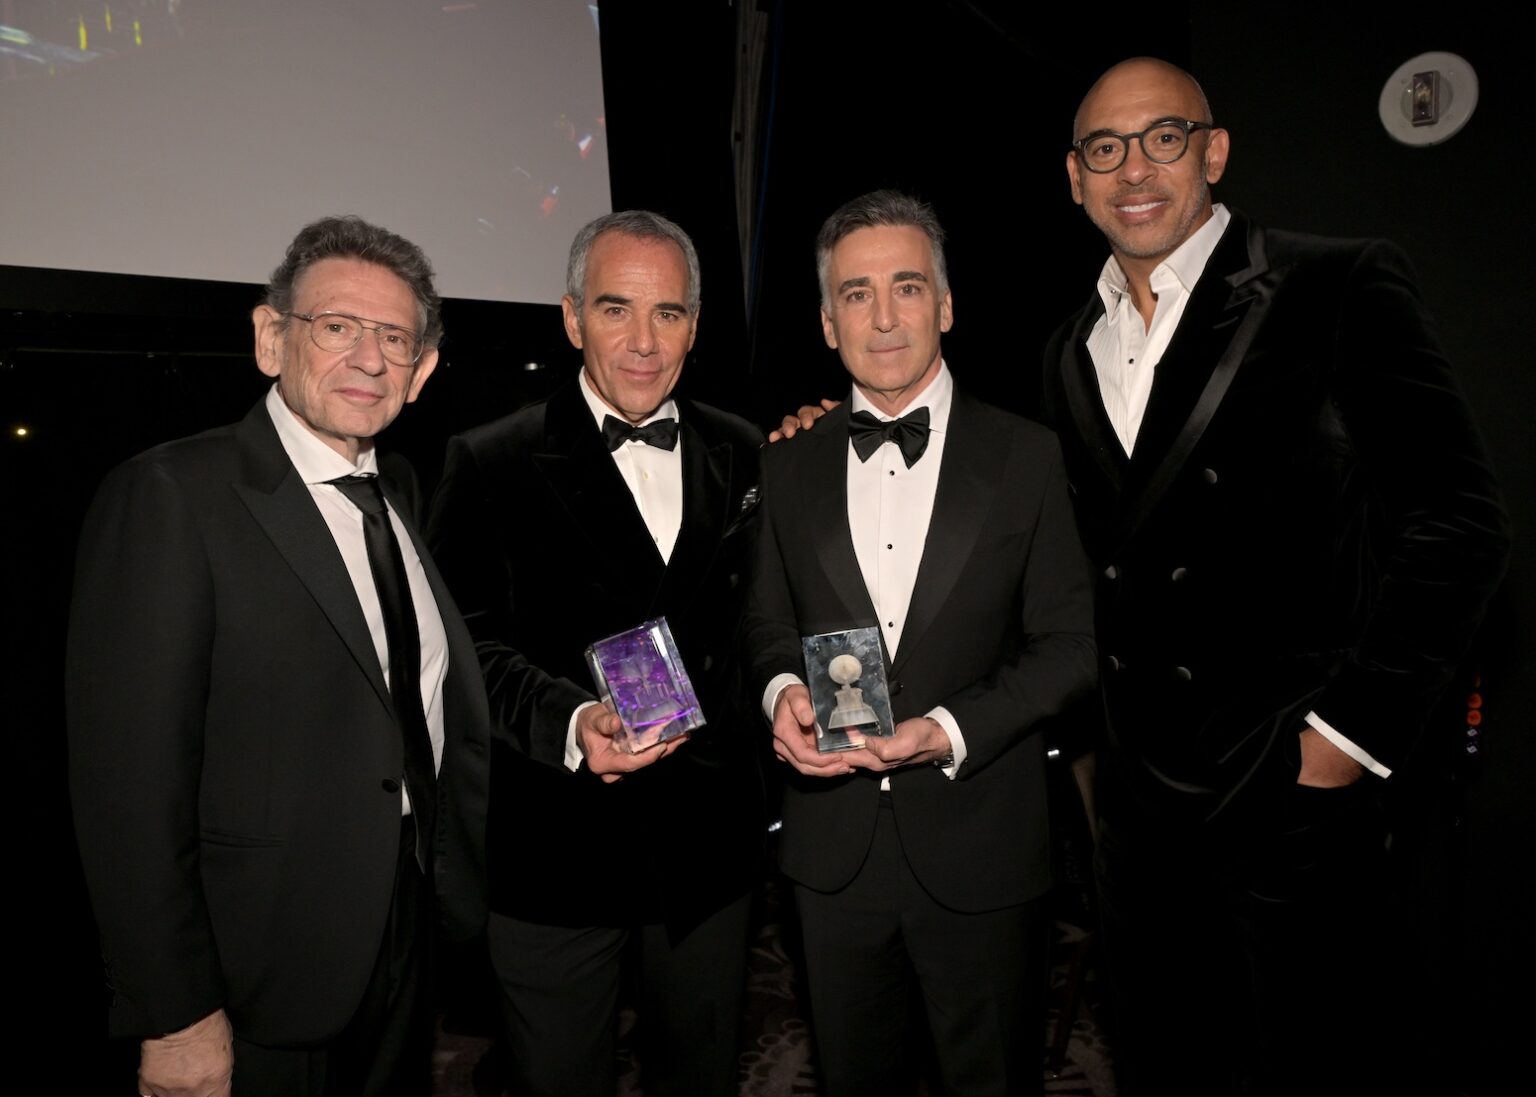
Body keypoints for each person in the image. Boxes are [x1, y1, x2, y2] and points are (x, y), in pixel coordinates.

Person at [1039, 58, 1511, 1095]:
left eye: (1163, 136)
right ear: (1074, 179)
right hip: (1141, 818)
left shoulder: (1335, 282)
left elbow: (1461, 521)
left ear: (1214, 149)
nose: (1134, 169)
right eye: (1105, 149)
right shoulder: (1070, 347)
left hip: (1290, 797)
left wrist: (1344, 740)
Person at [66, 215, 490, 1097]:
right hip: (256, 973)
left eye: (394, 338)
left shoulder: (398, 490)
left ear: (423, 370)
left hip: (401, 937)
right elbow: (128, 792)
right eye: (337, 327)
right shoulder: (171, 495)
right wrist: (175, 1013)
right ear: (270, 338)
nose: (369, 360)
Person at [743, 190, 1097, 1097]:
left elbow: (1070, 646)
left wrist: (946, 727)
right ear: (828, 323)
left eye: (907, 287)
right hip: (831, 855)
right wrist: (781, 687)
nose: (885, 315)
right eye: (857, 294)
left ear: (945, 305)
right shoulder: (786, 462)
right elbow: (767, 623)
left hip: (983, 836)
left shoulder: (1028, 455)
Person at [426, 210, 766, 1097]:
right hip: (556, 848)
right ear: (573, 318)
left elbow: (766, 618)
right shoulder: (487, 460)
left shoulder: (748, 449)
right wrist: (572, 721)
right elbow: (466, 653)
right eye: (617, 310)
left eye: (669, 313)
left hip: (706, 849)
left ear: (696, 324)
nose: (645, 343)